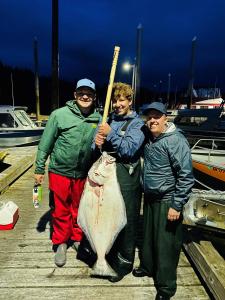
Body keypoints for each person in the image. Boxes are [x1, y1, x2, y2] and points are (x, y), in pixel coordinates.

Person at [34, 78, 101, 267]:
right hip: (60, 171)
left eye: (89, 93)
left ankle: (77, 238)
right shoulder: (59, 115)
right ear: (75, 95)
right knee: (61, 209)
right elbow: (45, 144)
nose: (85, 96)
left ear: (94, 97)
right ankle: (61, 242)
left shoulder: (99, 118)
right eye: (81, 93)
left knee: (79, 209)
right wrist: (39, 168)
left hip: (83, 173)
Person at [132, 102, 194, 300]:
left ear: (165, 118)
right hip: (150, 198)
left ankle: (166, 287)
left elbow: (186, 176)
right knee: (149, 238)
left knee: (166, 245)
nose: (152, 121)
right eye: (149, 117)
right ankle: (148, 267)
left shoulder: (175, 140)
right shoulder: (150, 139)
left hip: (168, 200)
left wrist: (177, 205)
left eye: (156, 117)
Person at [94, 82, 145, 282]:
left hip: (127, 179)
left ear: (130, 101)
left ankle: (124, 263)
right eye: (114, 100)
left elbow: (129, 150)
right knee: (108, 218)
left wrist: (109, 133)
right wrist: (96, 142)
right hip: (107, 176)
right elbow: (96, 146)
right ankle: (107, 256)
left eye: (121, 100)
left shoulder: (137, 124)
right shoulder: (107, 119)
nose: (117, 104)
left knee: (126, 220)